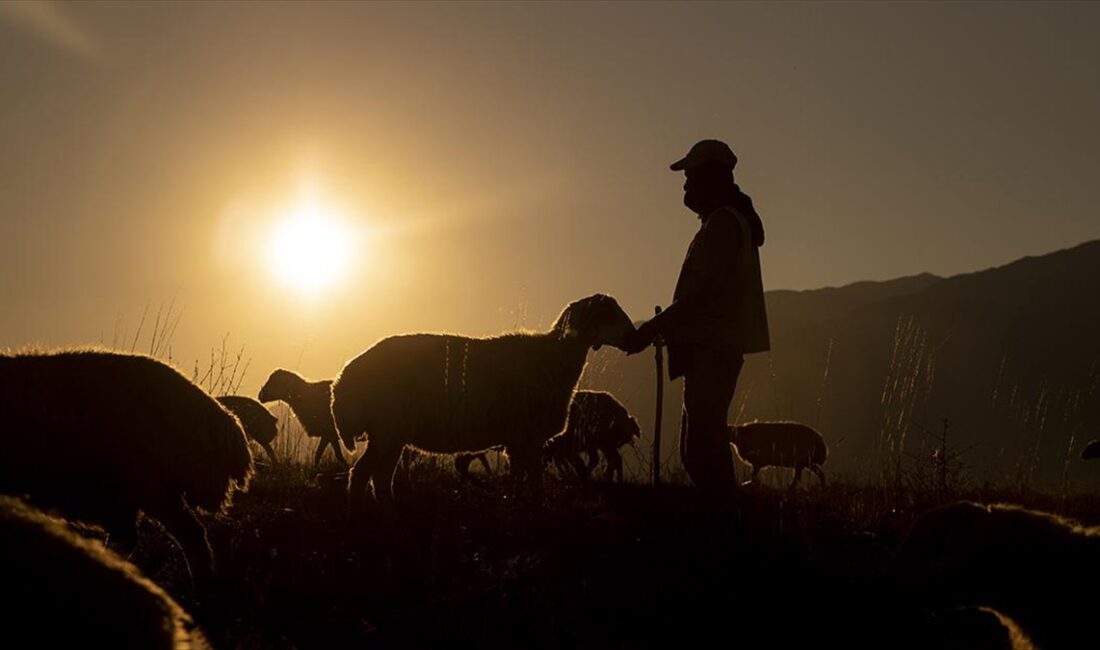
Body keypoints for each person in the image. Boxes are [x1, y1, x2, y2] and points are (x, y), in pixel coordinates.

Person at [624, 139, 770, 496]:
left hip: (712, 346)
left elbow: (702, 293)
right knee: (700, 442)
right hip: (713, 344)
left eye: (691, 176)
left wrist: (652, 330)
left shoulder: (721, 224)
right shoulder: (724, 221)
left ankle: (724, 520)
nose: (686, 186)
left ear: (711, 176)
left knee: (703, 444)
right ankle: (722, 518)